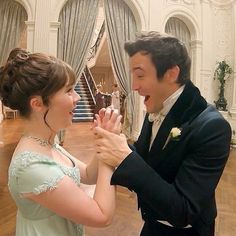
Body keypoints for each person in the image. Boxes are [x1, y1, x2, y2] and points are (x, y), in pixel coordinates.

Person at [93, 32, 232, 236]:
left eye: (140, 75)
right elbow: (145, 160)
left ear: (171, 73)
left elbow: (183, 211)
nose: (133, 86)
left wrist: (123, 155)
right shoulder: (157, 108)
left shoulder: (213, 127)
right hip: (151, 225)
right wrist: (114, 139)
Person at [0, 48, 121, 236]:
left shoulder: (47, 142)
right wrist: (109, 150)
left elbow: (89, 174)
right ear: (38, 104)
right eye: (69, 91)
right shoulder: (31, 166)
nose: (77, 97)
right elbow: (102, 215)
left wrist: (104, 138)